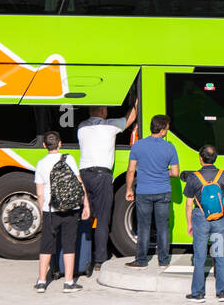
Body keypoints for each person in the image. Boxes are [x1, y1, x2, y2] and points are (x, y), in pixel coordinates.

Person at [77, 104, 137, 277]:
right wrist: (135, 102)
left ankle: (83, 257)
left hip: (84, 175)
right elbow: (130, 119)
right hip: (102, 176)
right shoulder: (109, 126)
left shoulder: (81, 127)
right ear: (103, 112)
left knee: (85, 217)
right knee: (103, 218)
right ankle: (100, 260)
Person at [34, 132, 89, 293]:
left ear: (44, 145)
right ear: (60, 144)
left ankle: (42, 282)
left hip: (51, 210)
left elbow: (39, 193)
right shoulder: (69, 159)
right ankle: (69, 283)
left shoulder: (41, 164)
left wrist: (43, 210)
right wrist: (86, 205)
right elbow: (79, 183)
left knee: (46, 246)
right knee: (69, 245)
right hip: (71, 209)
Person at [124, 115, 179, 269]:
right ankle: (163, 261)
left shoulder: (138, 145)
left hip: (143, 192)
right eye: (167, 128)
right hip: (163, 191)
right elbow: (175, 172)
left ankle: (141, 260)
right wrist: (163, 172)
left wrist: (129, 189)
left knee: (143, 226)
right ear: (161, 130)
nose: (167, 131)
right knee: (163, 226)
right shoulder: (170, 147)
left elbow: (130, 170)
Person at [183, 145, 224, 303]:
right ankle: (222, 292)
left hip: (200, 217)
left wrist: (189, 223)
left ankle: (198, 293)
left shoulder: (193, 177)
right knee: (219, 254)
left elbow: (189, 204)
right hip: (218, 218)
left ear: (200, 158)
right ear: (215, 158)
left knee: (199, 256)